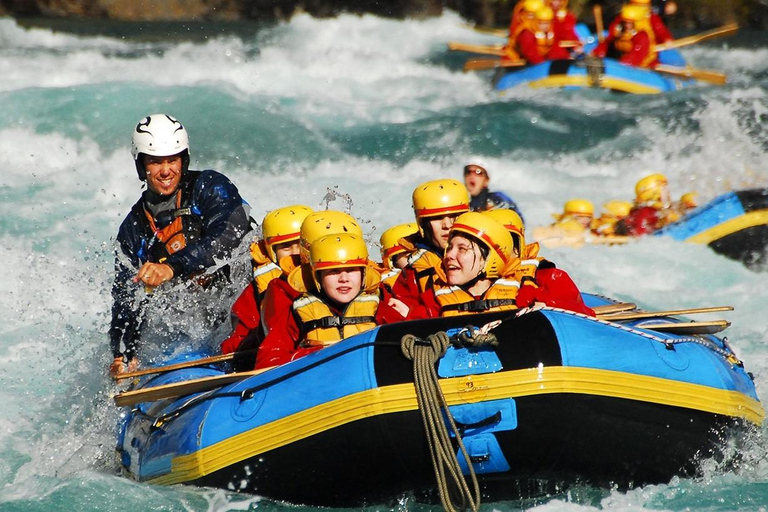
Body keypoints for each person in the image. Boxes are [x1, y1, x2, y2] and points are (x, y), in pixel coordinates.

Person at [109, 114, 252, 376]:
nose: (166, 171)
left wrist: (173, 267)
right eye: (155, 162)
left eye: (172, 160)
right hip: (199, 326)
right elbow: (125, 300)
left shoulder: (209, 187)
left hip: (246, 302)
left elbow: (230, 233)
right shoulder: (133, 230)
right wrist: (122, 354)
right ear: (142, 166)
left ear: (183, 160)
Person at [254, 233, 408, 369]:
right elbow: (268, 361)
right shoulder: (299, 312)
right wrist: (310, 355)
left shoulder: (377, 307)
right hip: (321, 386)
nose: (344, 279)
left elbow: (410, 343)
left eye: (352, 270)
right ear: (317, 277)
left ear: (363, 274)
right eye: (333, 271)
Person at [414, 212, 594, 318]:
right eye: (449, 248)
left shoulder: (527, 292)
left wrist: (548, 309)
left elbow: (581, 318)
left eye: (462, 249)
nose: (450, 256)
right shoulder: (434, 296)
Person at [219, 205, 314, 361]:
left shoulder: (336, 279)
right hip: (277, 356)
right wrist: (258, 336)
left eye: (300, 244)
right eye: (285, 247)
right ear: (271, 252)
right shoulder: (256, 293)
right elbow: (234, 343)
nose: (296, 253)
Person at [390, 178, 470, 309]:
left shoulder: (486, 258)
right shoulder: (411, 275)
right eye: (437, 218)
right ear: (423, 224)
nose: (447, 225)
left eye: (454, 216)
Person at [592, 4, 659, 68]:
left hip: (643, 67)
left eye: (630, 23)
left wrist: (622, 63)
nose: (627, 26)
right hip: (620, 62)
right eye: (625, 22)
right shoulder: (618, 32)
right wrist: (598, 53)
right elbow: (607, 43)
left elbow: (635, 57)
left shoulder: (642, 37)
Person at [378, 222, 419, 290]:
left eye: (422, 254)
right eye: (409, 256)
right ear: (392, 261)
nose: (417, 260)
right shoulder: (388, 284)